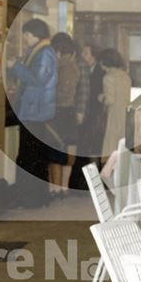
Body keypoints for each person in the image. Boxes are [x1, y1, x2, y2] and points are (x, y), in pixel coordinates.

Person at [6, 18, 58, 208]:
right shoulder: (40, 52)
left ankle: (30, 200)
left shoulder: (44, 53)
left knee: (29, 157)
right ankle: (36, 198)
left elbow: (37, 79)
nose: (25, 38)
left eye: (27, 35)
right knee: (34, 157)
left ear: (34, 34)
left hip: (34, 112)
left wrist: (16, 67)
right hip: (35, 111)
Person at [48, 32, 80, 197]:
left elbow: (62, 91)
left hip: (59, 110)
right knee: (68, 148)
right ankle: (64, 187)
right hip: (69, 111)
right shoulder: (73, 65)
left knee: (56, 149)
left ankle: (57, 188)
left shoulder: (63, 66)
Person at [68, 43, 104, 189]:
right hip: (86, 114)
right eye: (82, 53)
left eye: (86, 54)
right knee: (83, 147)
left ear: (94, 56)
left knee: (90, 148)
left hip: (94, 115)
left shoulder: (100, 72)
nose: (83, 56)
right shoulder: (84, 69)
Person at [97, 48, 132, 161]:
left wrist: (100, 97)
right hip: (125, 117)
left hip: (113, 117)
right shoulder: (126, 76)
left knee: (111, 150)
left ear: (104, 62)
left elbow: (109, 100)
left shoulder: (107, 77)